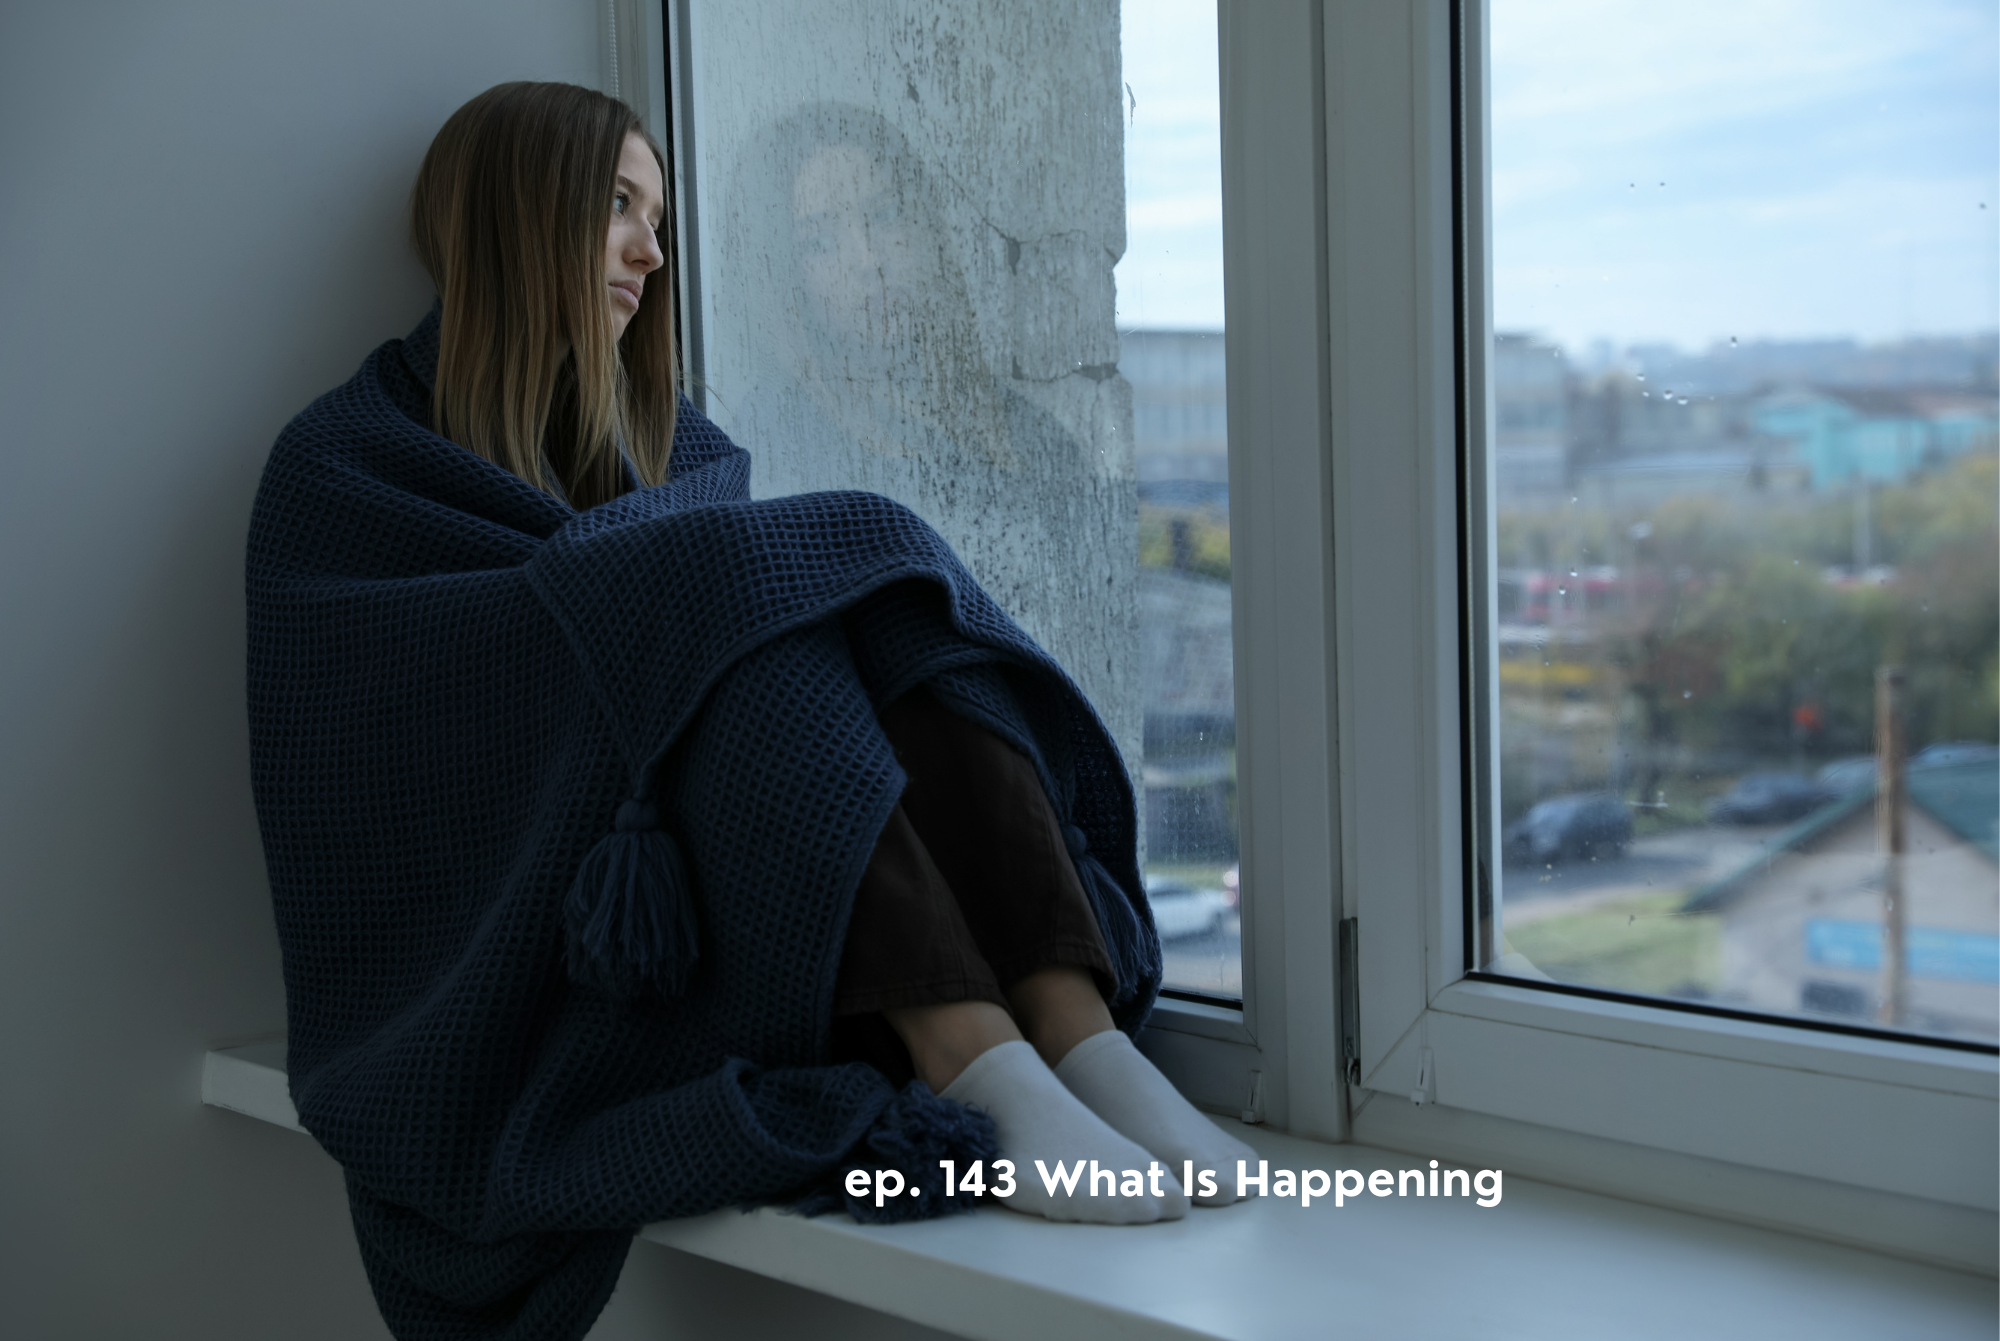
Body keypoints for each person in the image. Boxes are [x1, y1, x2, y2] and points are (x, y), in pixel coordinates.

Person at [250, 81, 1249, 1341]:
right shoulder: (343, 470)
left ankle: (1072, 1029)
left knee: (867, 585)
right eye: (616, 205)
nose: (650, 251)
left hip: (726, 892)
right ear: (513, 213)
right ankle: (971, 1058)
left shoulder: (677, 455)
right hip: (529, 950)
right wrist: (637, 612)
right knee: (738, 583)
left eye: (655, 215)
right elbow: (377, 771)